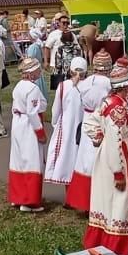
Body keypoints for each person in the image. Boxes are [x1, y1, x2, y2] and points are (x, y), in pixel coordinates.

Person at [83, 68, 128, 254]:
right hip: (117, 160)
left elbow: (90, 122)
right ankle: (116, 248)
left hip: (105, 157)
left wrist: (99, 136)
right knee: (118, 202)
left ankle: (102, 241)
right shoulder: (118, 109)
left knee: (105, 201)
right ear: (126, 88)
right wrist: (118, 172)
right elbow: (116, 141)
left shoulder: (108, 102)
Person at [65, 57, 112, 214]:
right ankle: (98, 203)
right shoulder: (108, 83)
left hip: (87, 120)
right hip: (101, 121)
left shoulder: (85, 82)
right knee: (99, 161)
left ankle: (82, 201)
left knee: (84, 159)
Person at [8, 57, 48, 212]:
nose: (40, 72)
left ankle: (17, 197)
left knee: (18, 160)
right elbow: (32, 113)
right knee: (32, 161)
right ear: (32, 72)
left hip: (18, 123)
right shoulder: (33, 89)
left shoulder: (19, 86)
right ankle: (29, 201)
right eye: (38, 70)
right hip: (28, 126)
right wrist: (40, 133)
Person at [43, 55, 87, 191]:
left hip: (67, 127)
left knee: (67, 157)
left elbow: (56, 109)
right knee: (81, 158)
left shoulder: (63, 86)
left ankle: (69, 194)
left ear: (70, 70)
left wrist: (56, 124)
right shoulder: (88, 86)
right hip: (84, 126)